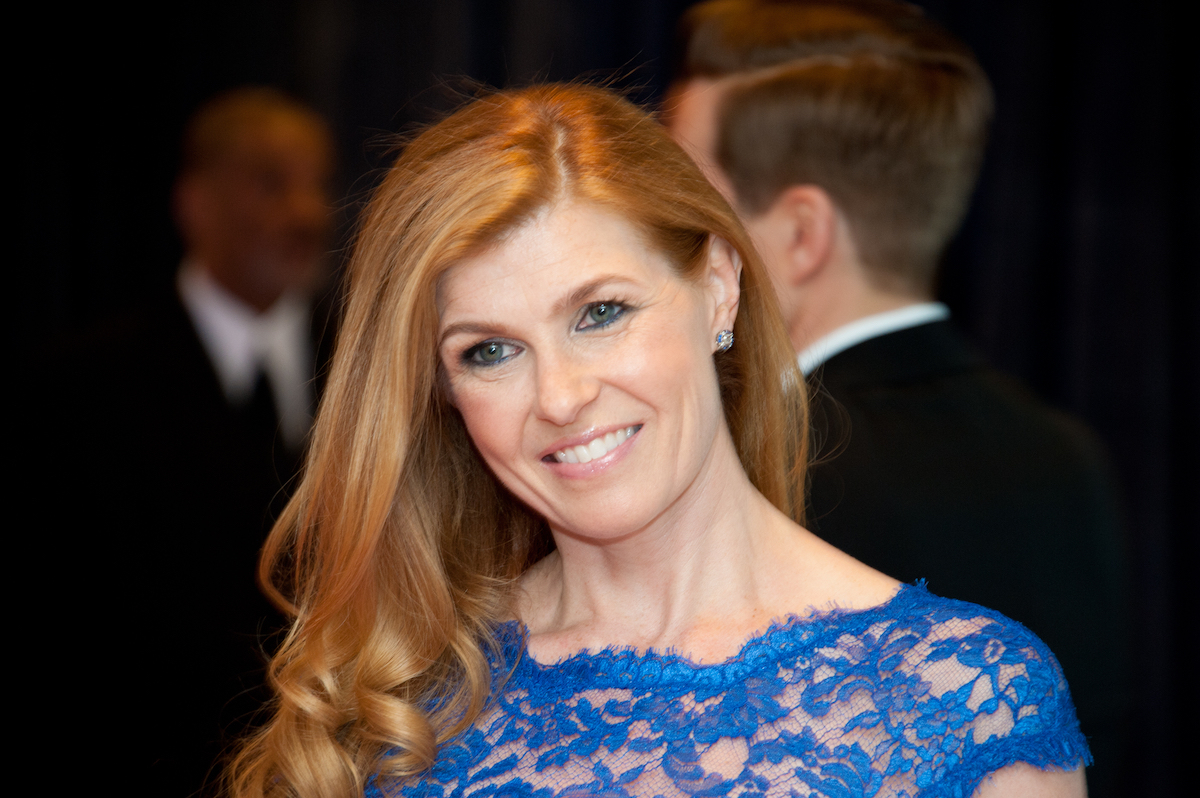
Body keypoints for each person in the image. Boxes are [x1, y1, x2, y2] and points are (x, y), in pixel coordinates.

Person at [228, 84, 1089, 798]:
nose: (561, 397)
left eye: (601, 313)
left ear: (717, 287)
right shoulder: (397, 710)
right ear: (442, 393)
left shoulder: (970, 704)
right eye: (489, 352)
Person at [664, 1, 1127, 791]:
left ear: (802, 236)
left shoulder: (760, 468)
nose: (659, 232)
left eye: (687, 203)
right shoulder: (1068, 456)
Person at [35, 87, 338, 797]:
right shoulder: (82, 390)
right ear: (194, 206)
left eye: (316, 185)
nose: (306, 212)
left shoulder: (369, 360)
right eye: (271, 183)